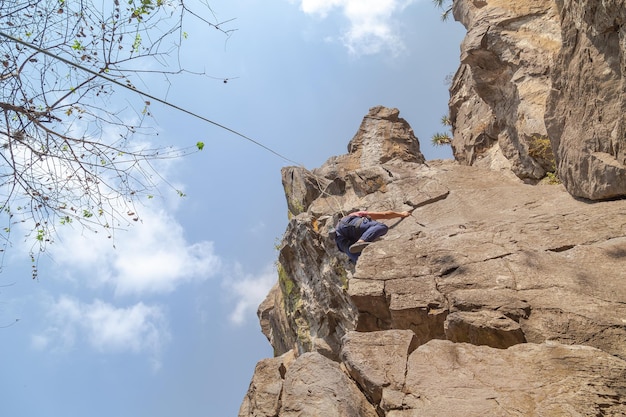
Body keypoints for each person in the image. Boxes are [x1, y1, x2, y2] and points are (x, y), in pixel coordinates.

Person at [334, 210, 411, 263]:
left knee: (361, 260)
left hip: (340, 239)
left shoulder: (338, 226)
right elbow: (385, 215)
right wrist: (402, 214)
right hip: (352, 225)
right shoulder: (356, 214)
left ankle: (358, 259)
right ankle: (361, 241)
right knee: (381, 227)